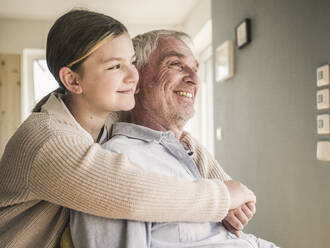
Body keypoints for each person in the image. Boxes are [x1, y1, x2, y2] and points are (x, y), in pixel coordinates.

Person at [0, 10, 254, 248]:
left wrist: (226, 185)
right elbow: (135, 193)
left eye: (131, 62)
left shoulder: (103, 112)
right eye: (115, 66)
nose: (134, 76)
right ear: (73, 80)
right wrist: (222, 196)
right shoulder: (47, 140)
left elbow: (169, 134)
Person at [69, 30, 279, 247]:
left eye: (195, 69)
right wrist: (225, 196)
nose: (194, 79)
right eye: (176, 64)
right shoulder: (119, 160)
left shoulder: (187, 153)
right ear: (135, 81)